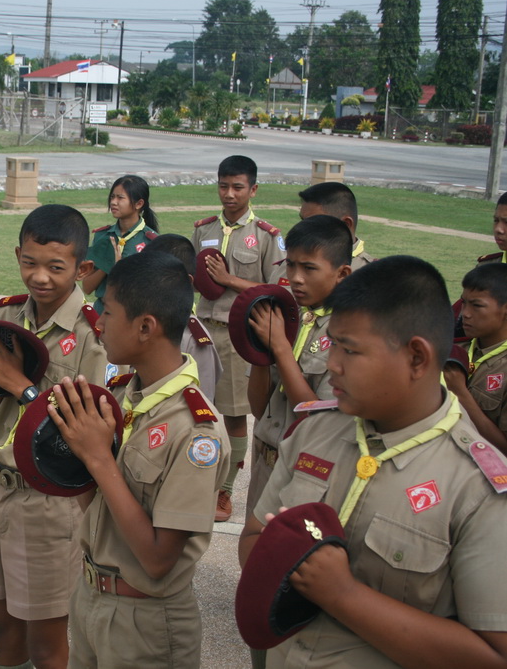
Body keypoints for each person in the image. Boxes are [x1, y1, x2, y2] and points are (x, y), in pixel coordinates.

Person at [240, 255, 507, 669]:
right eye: (333, 344)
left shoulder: (477, 487)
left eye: (350, 350)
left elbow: (493, 654)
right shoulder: (314, 431)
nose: (332, 365)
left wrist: (342, 594)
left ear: (417, 358)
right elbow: (253, 538)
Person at [49, 251, 230, 668]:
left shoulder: (195, 430)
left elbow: (158, 560)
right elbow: (96, 505)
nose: (99, 322)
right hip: (92, 595)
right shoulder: (122, 396)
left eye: (109, 312)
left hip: (145, 621)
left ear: (146, 327)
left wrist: (98, 458)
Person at [0, 204, 106, 669]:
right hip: (0, 488)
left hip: (51, 502)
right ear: (17, 256)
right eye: (29, 262)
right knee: (0, 626)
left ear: (82, 269)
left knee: (47, 641)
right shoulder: (5, 317)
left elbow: (87, 437)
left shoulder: (92, 336)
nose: (40, 277)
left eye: (56, 267)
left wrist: (21, 385)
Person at [191, 155, 285, 522]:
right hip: (201, 333)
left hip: (236, 336)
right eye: (223, 186)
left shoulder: (266, 236)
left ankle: (225, 490)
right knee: (195, 411)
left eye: (237, 187)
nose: (229, 194)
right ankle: (197, 480)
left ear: (253, 189)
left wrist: (229, 280)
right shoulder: (203, 229)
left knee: (232, 416)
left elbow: (275, 290)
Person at [244, 215, 353, 517]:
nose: (296, 277)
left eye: (309, 268)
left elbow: (315, 418)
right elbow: (258, 408)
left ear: (342, 273)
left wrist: (280, 347)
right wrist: (262, 353)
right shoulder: (285, 316)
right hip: (265, 457)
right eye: (290, 265)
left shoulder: (347, 333)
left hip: (307, 469)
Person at [142, 233, 222, 400]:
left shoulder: (194, 341)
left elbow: (202, 402)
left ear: (186, 281)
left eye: (159, 277)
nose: (148, 284)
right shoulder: (141, 324)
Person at [444, 263, 507, 454]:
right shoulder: (455, 349)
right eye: (464, 303)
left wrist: (460, 393)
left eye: (477, 305)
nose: (465, 314)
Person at [81, 175, 158, 315]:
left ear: (139, 204)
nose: (113, 202)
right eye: (112, 197)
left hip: (133, 313)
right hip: (102, 312)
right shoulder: (103, 236)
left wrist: (121, 269)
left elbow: (152, 289)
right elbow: (87, 287)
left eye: (120, 198)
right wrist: (107, 265)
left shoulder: (151, 241)